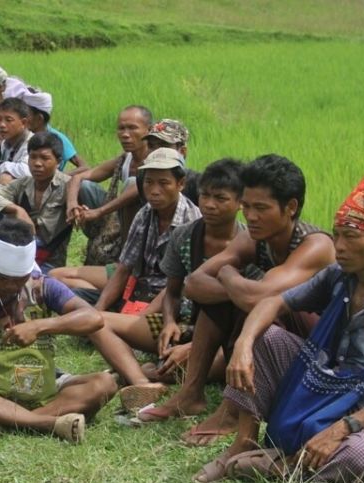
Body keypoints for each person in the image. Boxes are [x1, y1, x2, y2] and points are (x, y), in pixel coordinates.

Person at [193, 175, 364, 483]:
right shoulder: (339, 276)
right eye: (336, 235)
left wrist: (342, 428)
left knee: (359, 457)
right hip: (328, 379)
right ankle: (245, 443)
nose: (340, 247)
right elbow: (274, 302)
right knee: (264, 337)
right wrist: (243, 343)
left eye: (351, 236)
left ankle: (286, 466)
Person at [137, 155, 335, 448]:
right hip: (269, 337)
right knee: (230, 298)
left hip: (316, 354)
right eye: (247, 207)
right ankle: (191, 393)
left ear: (290, 208)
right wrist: (236, 284)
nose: (251, 217)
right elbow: (193, 283)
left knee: (248, 299)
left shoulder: (315, 245)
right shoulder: (257, 237)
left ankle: (232, 411)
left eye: (261, 208)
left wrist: (228, 273)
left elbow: (257, 297)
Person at [0, 219, 118, 444]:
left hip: (48, 384)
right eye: (2, 278)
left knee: (105, 383)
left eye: (19, 279)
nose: (11, 286)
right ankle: (49, 424)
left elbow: (94, 318)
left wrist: (40, 326)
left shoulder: (44, 286)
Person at [100, 158, 246, 383]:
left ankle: (137, 376)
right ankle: (142, 375)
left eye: (220, 198)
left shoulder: (250, 244)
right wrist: (168, 322)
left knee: (221, 362)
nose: (209, 204)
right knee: (96, 321)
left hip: (221, 339)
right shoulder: (184, 235)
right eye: (205, 195)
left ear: (241, 203)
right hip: (182, 326)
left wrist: (193, 347)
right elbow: (172, 292)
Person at [67, 148, 201, 311]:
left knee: (102, 324)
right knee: (68, 295)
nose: (154, 191)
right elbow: (124, 268)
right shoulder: (145, 213)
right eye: (149, 182)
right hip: (137, 293)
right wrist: (99, 310)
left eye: (163, 183)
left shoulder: (192, 221)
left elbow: (182, 286)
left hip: (167, 304)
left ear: (180, 184)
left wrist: (138, 317)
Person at [59, 105, 153, 278]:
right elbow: (78, 177)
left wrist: (99, 212)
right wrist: (72, 205)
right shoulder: (126, 159)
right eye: (121, 128)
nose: (125, 134)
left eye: (132, 128)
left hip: (145, 223)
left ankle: (125, 257)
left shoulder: (157, 161)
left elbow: (137, 188)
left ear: (149, 130)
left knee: (132, 182)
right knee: (83, 185)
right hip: (119, 217)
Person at [0, 131, 74, 272]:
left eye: (45, 158)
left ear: (58, 162)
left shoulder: (68, 186)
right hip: (20, 252)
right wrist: (17, 209)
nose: (37, 164)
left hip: (49, 260)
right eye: (33, 157)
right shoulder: (23, 184)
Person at [9, 82, 87, 174]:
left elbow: (84, 167)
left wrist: (60, 177)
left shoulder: (57, 138)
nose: (21, 118)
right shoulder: (20, 134)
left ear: (39, 119)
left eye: (25, 114)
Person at [0, 98, 33, 186]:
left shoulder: (32, 144)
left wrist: (2, 166)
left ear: (23, 123)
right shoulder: (5, 143)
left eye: (8, 120)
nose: (2, 125)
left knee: (6, 178)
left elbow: (28, 171)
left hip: (30, 188)